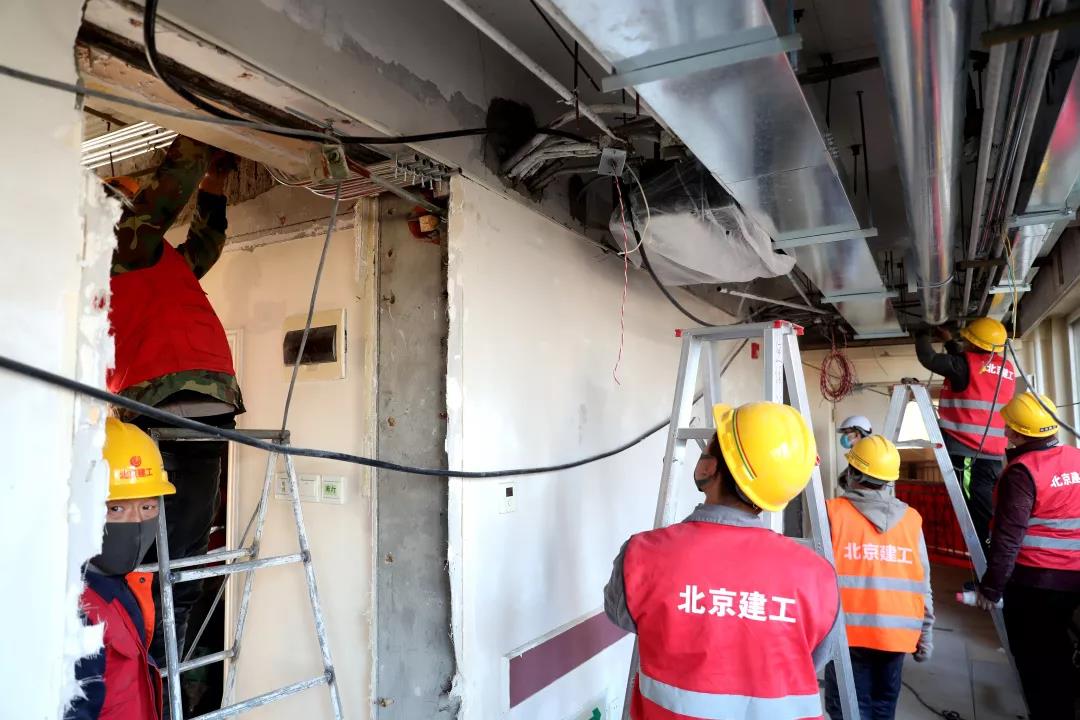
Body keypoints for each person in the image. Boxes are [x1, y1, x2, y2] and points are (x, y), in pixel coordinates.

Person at [604, 401, 841, 719]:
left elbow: (622, 616)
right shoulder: (818, 576)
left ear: (708, 468)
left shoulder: (641, 555)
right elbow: (817, 656)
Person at [105, 135, 243, 668]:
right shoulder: (164, 263)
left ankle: (146, 675)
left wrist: (196, 138)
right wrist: (216, 180)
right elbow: (207, 240)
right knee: (181, 560)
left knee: (139, 558)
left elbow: (165, 194)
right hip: (211, 401)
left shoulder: (124, 246)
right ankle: (166, 676)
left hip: (160, 402)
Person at [976, 392, 1080, 720]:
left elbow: (1007, 539)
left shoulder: (1023, 472)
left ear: (1022, 433)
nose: (1005, 431)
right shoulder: (1076, 458)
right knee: (1059, 651)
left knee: (1037, 664)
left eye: (1010, 426)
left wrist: (991, 588)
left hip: (1036, 583)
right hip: (1074, 581)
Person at [67, 418, 177, 720]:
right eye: (116, 508)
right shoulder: (75, 613)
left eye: (148, 507)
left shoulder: (124, 588)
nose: (137, 523)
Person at [824, 436, 934, 720]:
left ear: (852, 472)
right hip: (896, 637)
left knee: (848, 709)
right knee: (883, 707)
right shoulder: (911, 519)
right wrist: (926, 633)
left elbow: (814, 578)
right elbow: (922, 583)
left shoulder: (832, 512)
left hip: (848, 636)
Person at [915, 317, 1016, 548]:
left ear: (973, 342)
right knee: (987, 509)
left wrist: (921, 333)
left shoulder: (964, 365)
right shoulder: (1006, 368)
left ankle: (988, 563)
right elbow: (967, 366)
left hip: (969, 453)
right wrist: (949, 341)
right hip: (994, 454)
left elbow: (929, 358)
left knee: (977, 515)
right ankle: (993, 560)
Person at [837, 415, 873, 490]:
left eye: (846, 432)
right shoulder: (856, 453)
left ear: (857, 434)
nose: (844, 436)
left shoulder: (868, 454)